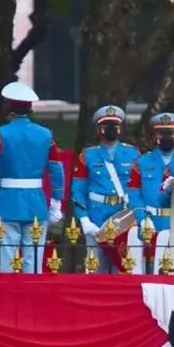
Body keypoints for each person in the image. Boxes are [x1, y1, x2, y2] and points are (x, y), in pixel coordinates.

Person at [0, 82, 65, 274]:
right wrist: (57, 202)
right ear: (30, 108)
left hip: (8, 201)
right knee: (33, 263)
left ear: (8, 107)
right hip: (36, 201)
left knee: (7, 261)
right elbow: (56, 168)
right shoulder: (45, 134)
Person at [72, 105, 140, 273]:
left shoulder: (133, 153)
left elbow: (138, 187)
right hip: (96, 215)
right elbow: (78, 189)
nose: (111, 129)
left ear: (120, 128)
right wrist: (84, 219)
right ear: (99, 129)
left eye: (115, 125)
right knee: (96, 269)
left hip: (124, 215)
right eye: (106, 125)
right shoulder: (87, 155)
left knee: (123, 267)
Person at [126, 112, 174, 274]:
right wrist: (141, 218)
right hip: (149, 221)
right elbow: (134, 193)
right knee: (141, 268)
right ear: (155, 135)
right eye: (161, 133)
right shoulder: (142, 162)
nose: (165, 137)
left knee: (170, 270)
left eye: (170, 133)